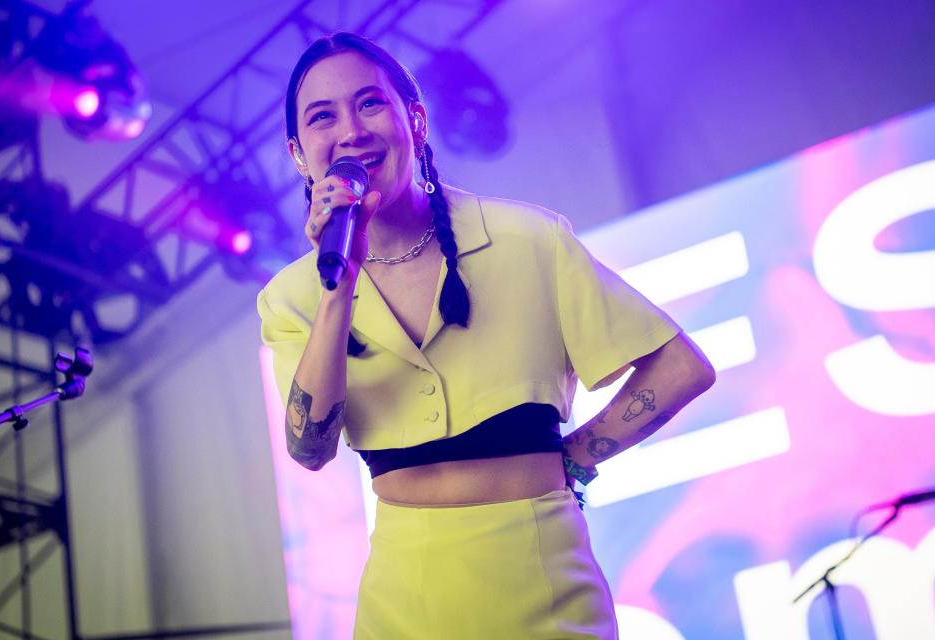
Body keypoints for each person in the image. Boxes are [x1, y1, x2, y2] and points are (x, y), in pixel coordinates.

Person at [257, 31, 716, 640]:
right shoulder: (293, 296)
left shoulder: (528, 239)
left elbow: (682, 367)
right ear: (298, 153)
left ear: (415, 122)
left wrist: (574, 458)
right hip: (405, 600)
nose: (350, 131)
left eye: (370, 104)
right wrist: (337, 283)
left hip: (543, 584)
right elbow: (310, 448)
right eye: (323, 117)